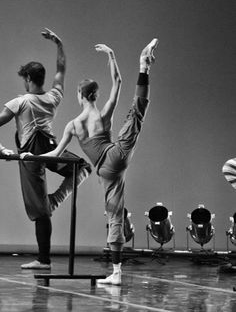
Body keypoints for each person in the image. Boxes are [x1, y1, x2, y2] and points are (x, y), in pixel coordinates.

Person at [26, 37, 158, 283]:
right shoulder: (104, 113)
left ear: (80, 94)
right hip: (117, 155)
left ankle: (117, 273)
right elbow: (118, 82)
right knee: (136, 114)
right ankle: (144, 66)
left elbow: (55, 155)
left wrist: (29, 155)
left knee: (114, 215)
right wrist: (111, 55)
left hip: (106, 167)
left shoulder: (74, 125)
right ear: (95, 95)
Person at [0, 28, 91, 269]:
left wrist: (2, 149)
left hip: (32, 156)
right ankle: (55, 202)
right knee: (81, 167)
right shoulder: (54, 97)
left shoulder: (20, 102)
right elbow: (61, 70)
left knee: (41, 211)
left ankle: (44, 260)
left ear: (28, 79)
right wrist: (59, 43)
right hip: (51, 150)